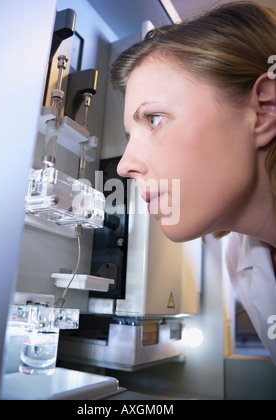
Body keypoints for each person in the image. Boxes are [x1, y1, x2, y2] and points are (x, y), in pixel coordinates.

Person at [111, 1, 276, 364]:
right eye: (128, 135)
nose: (124, 166)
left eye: (154, 119)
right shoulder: (241, 259)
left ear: (264, 111)